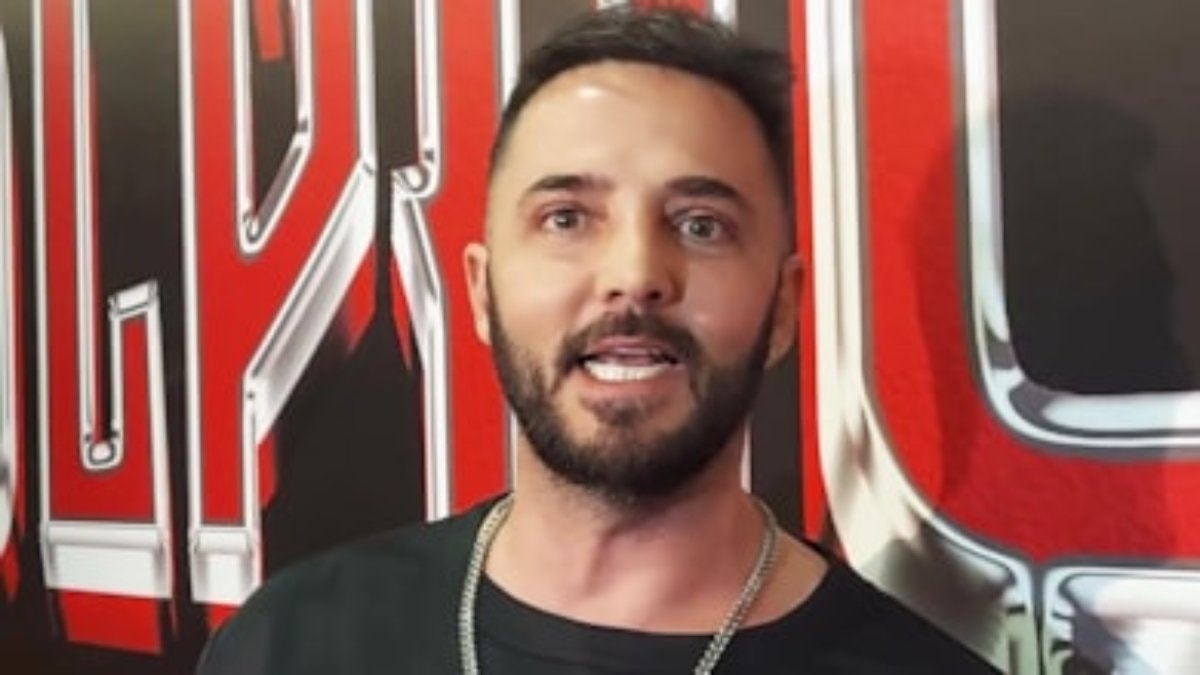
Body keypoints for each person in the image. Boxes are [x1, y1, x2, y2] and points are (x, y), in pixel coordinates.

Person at [197, 6, 1001, 674]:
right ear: (481, 290)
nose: (636, 274)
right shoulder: (291, 643)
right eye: (567, 218)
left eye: (701, 224)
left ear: (783, 307)